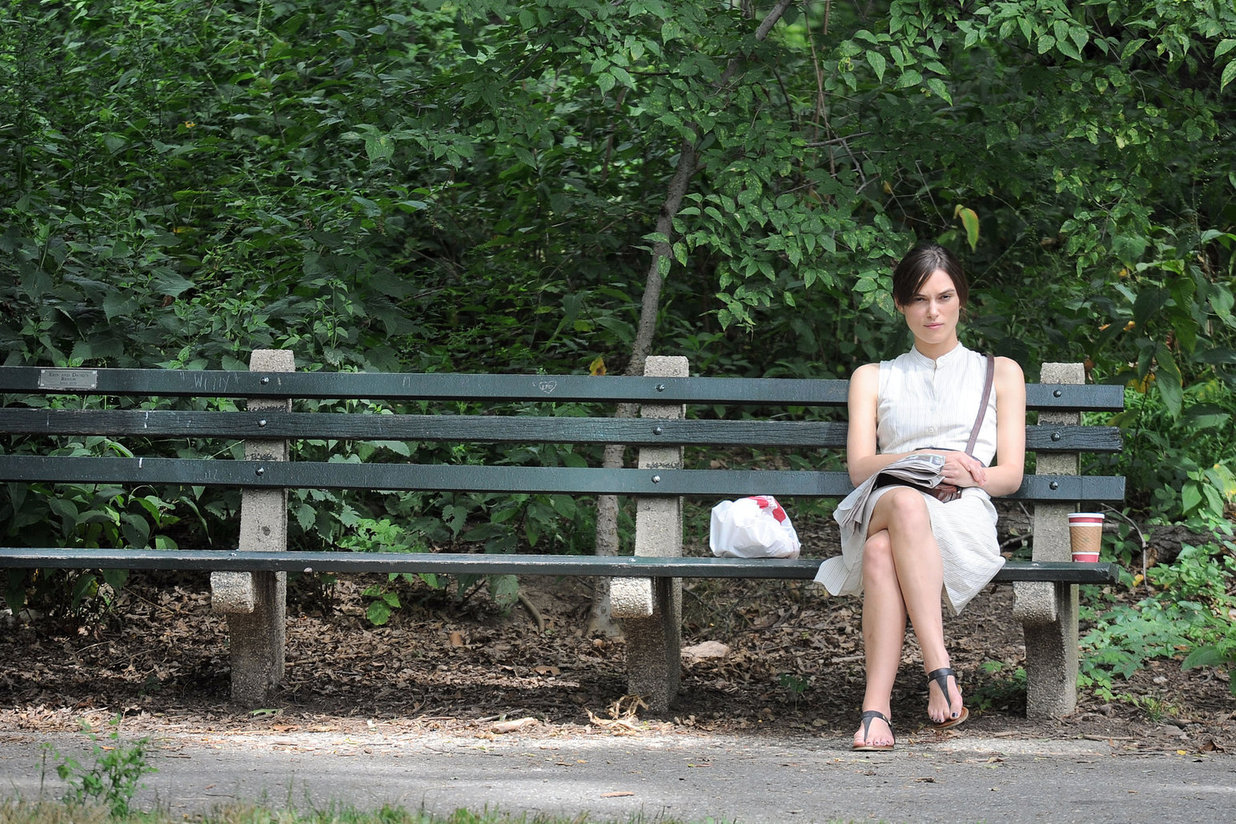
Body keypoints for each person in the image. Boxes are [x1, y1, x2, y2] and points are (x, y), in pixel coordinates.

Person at [814, 243, 1026, 751]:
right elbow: (860, 467)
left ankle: (876, 710)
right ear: (900, 306)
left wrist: (971, 475)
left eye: (944, 297)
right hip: (885, 499)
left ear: (961, 301)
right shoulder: (874, 377)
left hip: (959, 510)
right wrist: (924, 456)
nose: (932, 311)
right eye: (919, 299)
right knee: (905, 504)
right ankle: (939, 667)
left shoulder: (1000, 372)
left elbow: (1011, 476)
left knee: (881, 551)